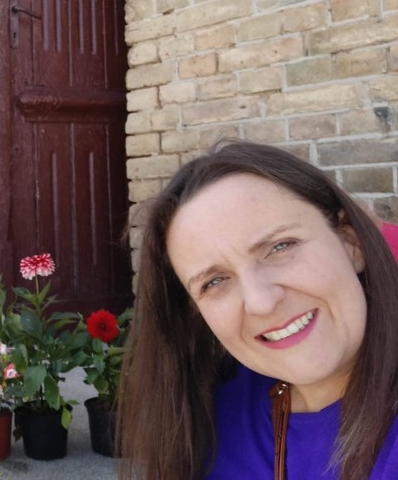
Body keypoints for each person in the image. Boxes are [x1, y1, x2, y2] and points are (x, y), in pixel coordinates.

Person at [117, 140, 398, 480]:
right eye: (215, 281)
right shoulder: (205, 414)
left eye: (280, 246)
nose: (261, 302)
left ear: (350, 242)